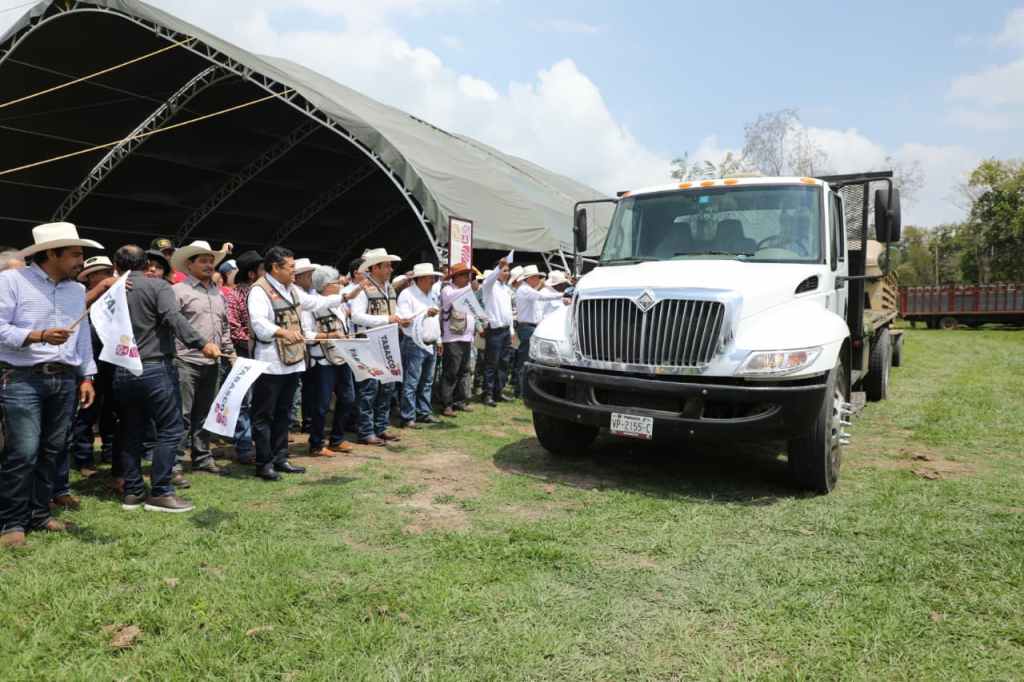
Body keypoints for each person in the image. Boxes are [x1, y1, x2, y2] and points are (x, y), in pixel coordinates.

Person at [0, 223, 100, 548]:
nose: (81, 260)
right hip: (22, 378)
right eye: (75, 254)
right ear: (51, 254)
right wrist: (38, 336)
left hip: (66, 379)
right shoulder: (11, 281)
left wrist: (86, 376)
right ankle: (12, 522)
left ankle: (39, 514)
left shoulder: (75, 291)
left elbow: (81, 336)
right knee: (23, 452)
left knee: (53, 450)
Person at [113, 245, 220, 514]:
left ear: (116, 266)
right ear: (145, 264)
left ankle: (133, 491)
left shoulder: (112, 289)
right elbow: (173, 318)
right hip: (154, 365)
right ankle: (160, 491)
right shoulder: (158, 286)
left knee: (131, 430)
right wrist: (201, 343)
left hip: (122, 367)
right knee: (171, 428)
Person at [247, 247, 345, 481]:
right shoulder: (259, 290)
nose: (294, 271)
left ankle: (281, 458)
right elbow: (258, 323)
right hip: (270, 362)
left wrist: (345, 296)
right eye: (291, 267)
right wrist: (282, 332)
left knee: (284, 412)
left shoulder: (292, 290)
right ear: (275, 268)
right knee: (264, 414)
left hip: (292, 361)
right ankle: (264, 463)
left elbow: (315, 303)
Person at [53, 257, 116, 508]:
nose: (107, 276)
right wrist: (101, 289)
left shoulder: (115, 296)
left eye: (109, 271)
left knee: (111, 408)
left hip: (109, 356)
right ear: (90, 277)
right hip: (83, 360)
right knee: (86, 412)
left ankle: (109, 453)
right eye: (101, 272)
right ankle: (84, 459)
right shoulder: (79, 294)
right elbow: (78, 315)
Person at [171, 241, 234, 477]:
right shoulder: (178, 291)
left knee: (206, 413)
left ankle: (202, 456)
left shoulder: (218, 293)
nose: (209, 265)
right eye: (203, 261)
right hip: (185, 361)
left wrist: (230, 353)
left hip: (213, 362)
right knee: (182, 414)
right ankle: (174, 462)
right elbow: (172, 325)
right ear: (189, 265)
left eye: (211, 261)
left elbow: (224, 326)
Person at [349, 248, 409, 446]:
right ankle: (366, 431)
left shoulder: (388, 288)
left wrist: (401, 318)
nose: (391, 269)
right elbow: (356, 316)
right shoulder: (363, 288)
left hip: (386, 342)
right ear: (375, 268)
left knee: (387, 386)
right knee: (370, 388)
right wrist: (387, 319)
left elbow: (392, 310)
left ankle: (380, 427)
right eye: (387, 266)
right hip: (368, 343)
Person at [302, 265, 356, 456]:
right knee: (322, 404)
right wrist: (329, 335)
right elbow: (306, 335)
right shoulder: (310, 305)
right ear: (326, 285)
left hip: (342, 356)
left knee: (348, 398)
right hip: (322, 360)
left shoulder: (339, 303)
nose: (340, 284)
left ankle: (337, 439)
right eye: (336, 282)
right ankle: (316, 443)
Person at [223, 250, 263, 464]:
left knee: (261, 400)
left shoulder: (265, 294)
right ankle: (244, 446)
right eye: (263, 269)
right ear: (251, 274)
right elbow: (233, 327)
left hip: (264, 353)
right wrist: (255, 340)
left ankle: (261, 442)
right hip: (244, 353)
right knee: (244, 401)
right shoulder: (235, 296)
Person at [396, 263, 442, 429]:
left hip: (430, 342)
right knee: (412, 381)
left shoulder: (431, 295)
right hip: (414, 342)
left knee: (427, 381)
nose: (433, 280)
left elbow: (435, 320)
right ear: (421, 279)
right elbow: (405, 319)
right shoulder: (407, 294)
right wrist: (424, 314)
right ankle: (408, 416)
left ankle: (423, 412)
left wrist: (438, 340)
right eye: (430, 277)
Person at [512, 265, 564, 398]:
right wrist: (563, 294)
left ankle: (521, 389)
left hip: (529, 327)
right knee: (525, 359)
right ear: (530, 278)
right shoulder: (525, 290)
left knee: (527, 358)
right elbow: (542, 297)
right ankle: (520, 390)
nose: (538, 280)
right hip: (527, 327)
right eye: (536, 277)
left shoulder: (527, 289)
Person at [438, 262, 478, 417]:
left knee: (463, 370)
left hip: (466, 337)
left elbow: (474, 310)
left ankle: (459, 400)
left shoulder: (465, 290)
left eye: (468, 275)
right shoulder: (448, 290)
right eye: (464, 275)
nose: (468, 278)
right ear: (455, 277)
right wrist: (469, 289)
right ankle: (447, 404)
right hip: (452, 338)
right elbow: (453, 298)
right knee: (451, 371)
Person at [479, 258, 514, 407]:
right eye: (504, 270)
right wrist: (499, 267)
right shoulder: (489, 286)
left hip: (505, 330)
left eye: (507, 270)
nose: (507, 273)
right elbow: (489, 279)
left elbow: (508, 312)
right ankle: (487, 394)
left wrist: (511, 330)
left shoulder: (506, 288)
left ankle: (498, 392)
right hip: (494, 330)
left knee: (504, 363)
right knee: (491, 363)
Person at [293, 258, 317, 434]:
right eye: (308, 276)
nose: (311, 279)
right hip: (300, 342)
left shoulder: (311, 293)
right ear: (299, 277)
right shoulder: (296, 294)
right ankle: (297, 421)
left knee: (308, 385)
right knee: (299, 385)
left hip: (309, 343)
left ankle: (307, 420)